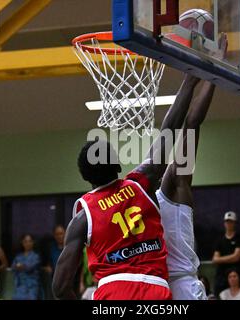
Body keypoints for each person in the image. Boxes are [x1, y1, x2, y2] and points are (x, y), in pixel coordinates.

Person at [52, 74, 200, 300]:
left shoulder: (83, 218)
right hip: (156, 290)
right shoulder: (140, 183)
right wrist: (190, 81)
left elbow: (60, 288)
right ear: (118, 166)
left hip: (114, 292)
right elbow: (169, 129)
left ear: (85, 178)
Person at [156, 77, 218, 300]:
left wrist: (210, 77)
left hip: (174, 286)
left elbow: (191, 124)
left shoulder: (169, 192)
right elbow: (191, 124)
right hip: (164, 286)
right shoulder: (163, 192)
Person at [212, 211, 240, 296]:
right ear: (224, 223)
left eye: (231, 222)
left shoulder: (239, 238)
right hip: (221, 276)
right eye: (227, 221)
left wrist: (221, 259)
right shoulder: (219, 240)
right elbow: (215, 259)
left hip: (236, 275)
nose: (228, 224)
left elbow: (236, 257)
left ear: (235, 223)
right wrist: (230, 257)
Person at [12, 234, 41, 300]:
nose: (28, 243)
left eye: (30, 241)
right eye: (25, 241)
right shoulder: (18, 256)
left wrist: (21, 266)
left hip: (32, 287)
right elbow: (14, 267)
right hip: (20, 286)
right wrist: (20, 267)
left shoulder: (36, 256)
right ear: (22, 243)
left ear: (33, 242)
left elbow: (29, 268)